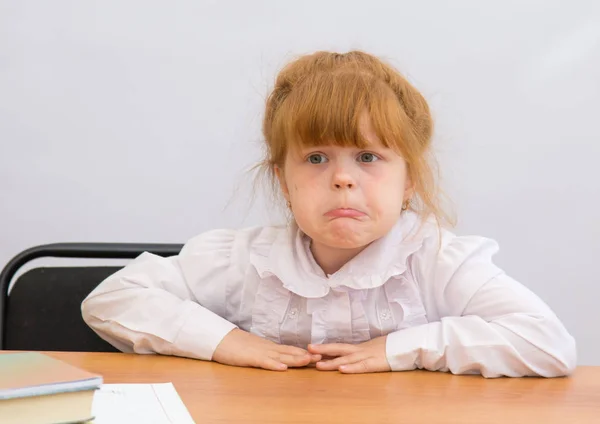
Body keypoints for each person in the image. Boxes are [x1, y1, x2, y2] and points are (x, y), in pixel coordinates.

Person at [81, 50, 576, 377]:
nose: (343, 178)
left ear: (410, 181)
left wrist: (397, 349)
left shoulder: (439, 261)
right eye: (316, 158)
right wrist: (229, 341)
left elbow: (548, 345)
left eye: (368, 158)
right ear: (283, 180)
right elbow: (113, 299)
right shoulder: (244, 259)